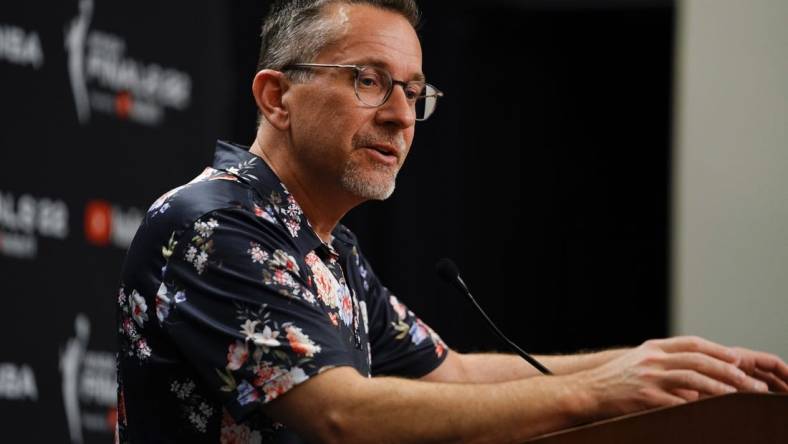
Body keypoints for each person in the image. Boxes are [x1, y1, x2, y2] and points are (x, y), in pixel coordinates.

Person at [116, 1, 788, 443]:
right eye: (369, 80)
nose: (401, 116)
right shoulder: (214, 227)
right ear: (277, 96)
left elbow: (454, 375)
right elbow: (340, 413)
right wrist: (597, 394)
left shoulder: (327, 248)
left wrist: (647, 367)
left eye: (412, 92)